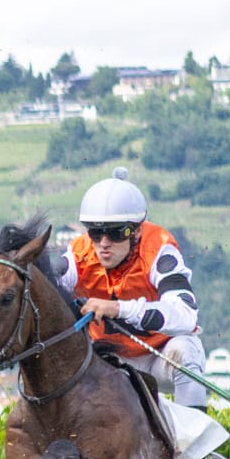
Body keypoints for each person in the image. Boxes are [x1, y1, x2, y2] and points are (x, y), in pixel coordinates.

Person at [62, 168, 207, 409]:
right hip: (107, 362)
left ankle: (197, 444)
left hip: (157, 358)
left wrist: (119, 309)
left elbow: (186, 316)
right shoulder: (78, 254)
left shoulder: (159, 249)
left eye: (116, 233)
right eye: (96, 233)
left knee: (187, 352)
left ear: (137, 230)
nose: (104, 244)